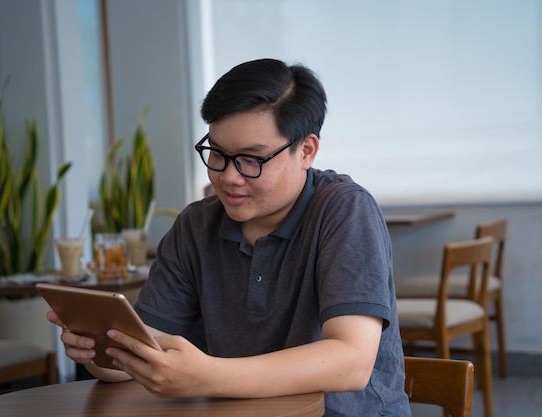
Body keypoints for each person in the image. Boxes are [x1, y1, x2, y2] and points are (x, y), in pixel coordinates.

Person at [47, 58, 411, 416]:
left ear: (306, 151)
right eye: (217, 154)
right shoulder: (195, 226)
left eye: (252, 160)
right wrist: (99, 351)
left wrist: (206, 376)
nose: (228, 177)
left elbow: (351, 362)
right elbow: (146, 351)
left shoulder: (344, 210)